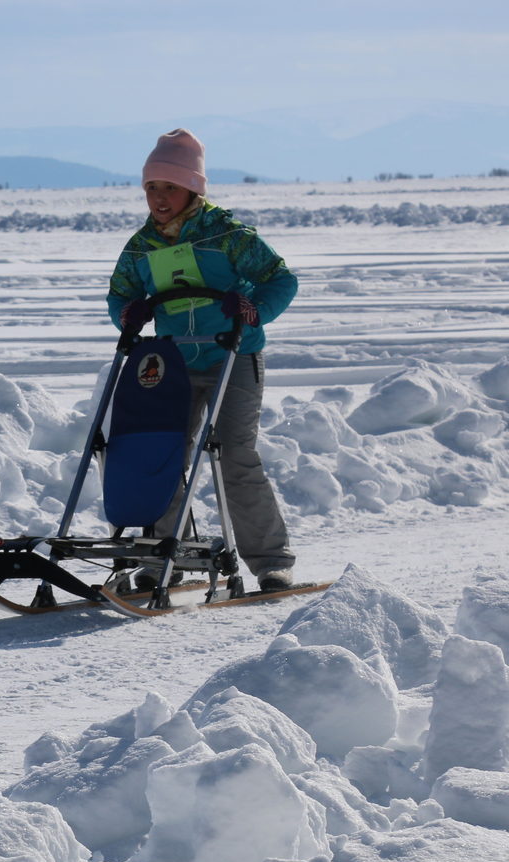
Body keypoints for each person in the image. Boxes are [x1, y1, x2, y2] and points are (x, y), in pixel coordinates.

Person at [105, 128, 299, 592]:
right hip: (171, 364)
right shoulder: (141, 247)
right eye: (151, 188)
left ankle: (272, 562)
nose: (159, 197)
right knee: (160, 455)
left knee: (235, 457)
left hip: (233, 357)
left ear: (192, 188)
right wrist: (129, 314)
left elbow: (281, 281)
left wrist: (253, 312)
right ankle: (163, 558)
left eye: (168, 187)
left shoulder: (230, 236)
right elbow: (120, 295)